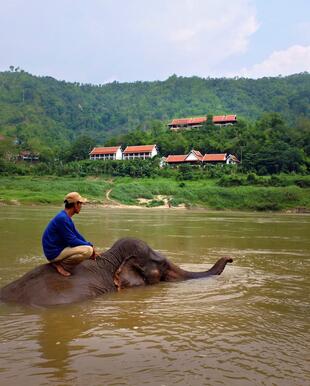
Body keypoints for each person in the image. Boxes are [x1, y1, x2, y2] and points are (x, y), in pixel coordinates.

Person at [42, 192, 99, 277]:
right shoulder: (63, 219)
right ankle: (62, 264)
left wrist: (90, 244)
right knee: (88, 251)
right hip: (54, 252)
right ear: (75, 204)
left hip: (59, 248)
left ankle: (61, 261)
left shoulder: (65, 217)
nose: (81, 206)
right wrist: (90, 247)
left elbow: (77, 235)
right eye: (81, 204)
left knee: (89, 247)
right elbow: (72, 241)